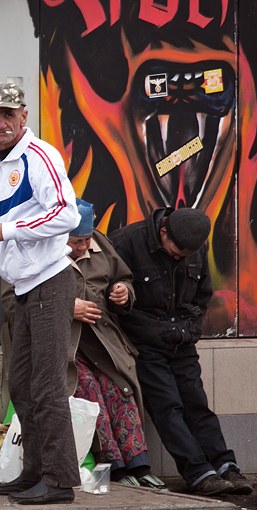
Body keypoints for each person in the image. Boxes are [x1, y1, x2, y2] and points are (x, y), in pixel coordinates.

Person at [0, 81, 81, 505]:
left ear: (24, 117)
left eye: (8, 115)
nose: (1, 122)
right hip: (23, 285)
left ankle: (60, 480)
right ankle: (34, 470)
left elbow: (66, 214)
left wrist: (5, 231)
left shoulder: (39, 154)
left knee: (48, 384)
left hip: (51, 279)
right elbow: (11, 218)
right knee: (20, 383)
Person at [109, 207, 252, 496]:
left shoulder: (193, 246)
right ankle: (199, 473)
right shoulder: (126, 243)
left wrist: (191, 328)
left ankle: (225, 466)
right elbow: (108, 297)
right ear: (163, 232)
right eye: (176, 252)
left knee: (197, 405)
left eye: (187, 255)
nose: (180, 257)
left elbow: (202, 295)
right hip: (145, 343)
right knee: (168, 408)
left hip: (182, 340)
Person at [65, 199, 165, 489]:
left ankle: (139, 464)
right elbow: (17, 303)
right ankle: (114, 468)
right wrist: (67, 308)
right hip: (66, 344)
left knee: (119, 389)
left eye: (86, 239)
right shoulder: (40, 250)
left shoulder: (100, 243)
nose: (83, 246)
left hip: (103, 339)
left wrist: (123, 292)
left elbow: (123, 278)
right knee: (90, 393)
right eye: (76, 241)